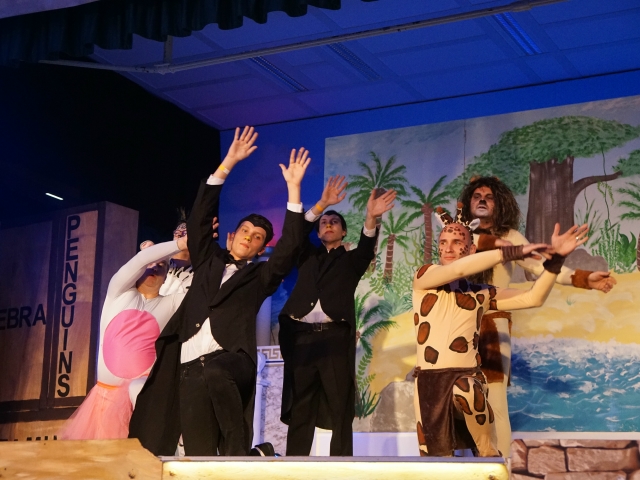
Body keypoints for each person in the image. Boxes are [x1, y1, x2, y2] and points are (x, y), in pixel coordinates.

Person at [129, 126, 309, 456]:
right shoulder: (208, 260)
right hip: (189, 365)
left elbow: (289, 248)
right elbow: (199, 218)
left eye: (257, 237)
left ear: (260, 249)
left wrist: (294, 189)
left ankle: (239, 456)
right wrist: (228, 163)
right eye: (245, 230)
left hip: (232, 360)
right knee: (198, 453)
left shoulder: (260, 277)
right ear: (231, 235)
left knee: (216, 370)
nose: (248, 237)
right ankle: (240, 459)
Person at [411, 204, 589, 457]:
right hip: (430, 383)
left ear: (471, 249)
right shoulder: (424, 277)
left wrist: (556, 261)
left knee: (468, 390)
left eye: (457, 242)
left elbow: (533, 298)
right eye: (443, 242)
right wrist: (513, 252)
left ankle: (488, 455)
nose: (448, 248)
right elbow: (457, 270)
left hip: (467, 376)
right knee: (435, 463)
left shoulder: (481, 294)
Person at [458, 176, 616, 456]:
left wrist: (584, 278)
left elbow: (543, 267)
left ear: (500, 204)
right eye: (477, 196)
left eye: (489, 196)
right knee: (457, 402)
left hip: (492, 324)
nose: (482, 200)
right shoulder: (459, 235)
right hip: (455, 324)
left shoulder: (510, 238)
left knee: (495, 403)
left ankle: (499, 469)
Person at [278, 175, 397, 456]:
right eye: (324, 223)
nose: (328, 225)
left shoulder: (351, 261)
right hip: (302, 338)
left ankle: (341, 464)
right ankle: (294, 466)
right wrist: (320, 205)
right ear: (318, 232)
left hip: (334, 339)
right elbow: (296, 232)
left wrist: (371, 217)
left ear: (344, 232)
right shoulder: (306, 255)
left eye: (334, 222)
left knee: (340, 404)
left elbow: (366, 245)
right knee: (301, 406)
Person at [59, 237, 189, 440]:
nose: (154, 267)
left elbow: (204, 293)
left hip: (142, 398)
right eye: (151, 262)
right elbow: (139, 261)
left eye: (161, 265)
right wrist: (180, 244)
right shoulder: (118, 291)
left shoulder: (172, 304)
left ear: (167, 277)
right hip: (104, 403)